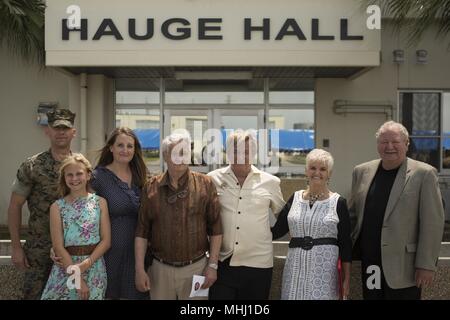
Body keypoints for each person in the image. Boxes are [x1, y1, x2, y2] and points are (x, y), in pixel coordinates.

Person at [350, 121, 445, 300]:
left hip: (404, 267)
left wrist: (426, 264)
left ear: (406, 144)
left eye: (395, 142)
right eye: (384, 142)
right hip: (372, 264)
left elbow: (432, 223)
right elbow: (353, 215)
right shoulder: (362, 171)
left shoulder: (424, 174)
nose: (389, 147)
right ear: (378, 145)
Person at [135, 132, 223, 300]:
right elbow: (142, 232)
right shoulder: (151, 187)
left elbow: (216, 228)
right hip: (159, 270)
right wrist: (139, 269)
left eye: (183, 153)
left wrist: (212, 265)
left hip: (196, 269)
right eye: (174, 153)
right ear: (165, 156)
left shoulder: (205, 184)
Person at [207, 130, 285, 300]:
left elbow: (285, 217)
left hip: (259, 264)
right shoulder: (211, 179)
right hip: (222, 263)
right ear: (227, 152)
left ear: (254, 153)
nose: (240, 155)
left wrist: (268, 234)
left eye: (246, 151)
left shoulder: (270, 182)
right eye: (235, 150)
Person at [7, 109, 76, 299]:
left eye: (65, 128)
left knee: (71, 295)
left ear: (73, 132)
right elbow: (15, 206)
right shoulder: (32, 166)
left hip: (73, 250)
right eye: (56, 128)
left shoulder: (80, 167)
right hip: (39, 251)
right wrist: (16, 247)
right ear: (48, 131)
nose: (61, 132)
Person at [271, 148, 352, 300]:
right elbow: (277, 231)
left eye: (323, 169)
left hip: (324, 271)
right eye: (313, 168)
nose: (317, 173)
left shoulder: (338, 202)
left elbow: (345, 244)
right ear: (306, 171)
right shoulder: (294, 198)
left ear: (330, 174)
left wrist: (347, 279)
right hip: (295, 269)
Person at [41, 154, 111, 300]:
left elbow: (106, 241)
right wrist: (76, 277)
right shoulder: (57, 207)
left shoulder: (100, 203)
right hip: (66, 267)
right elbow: (58, 246)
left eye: (79, 173)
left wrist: (85, 265)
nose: (74, 179)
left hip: (94, 267)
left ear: (88, 175)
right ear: (64, 178)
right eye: (69, 175)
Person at [91, 127, 150, 299]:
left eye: (130, 146)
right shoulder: (97, 178)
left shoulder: (141, 176)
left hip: (139, 255)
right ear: (111, 147)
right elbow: (82, 215)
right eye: (120, 145)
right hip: (110, 255)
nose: (125, 150)